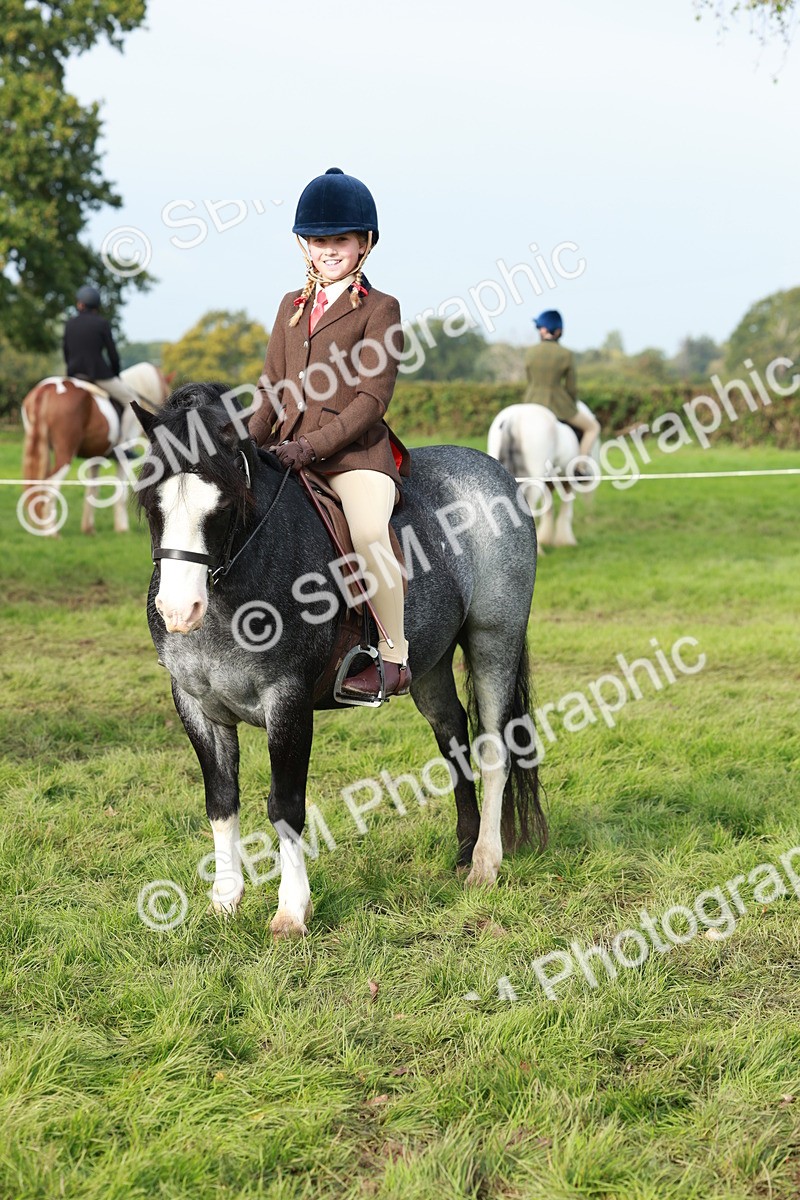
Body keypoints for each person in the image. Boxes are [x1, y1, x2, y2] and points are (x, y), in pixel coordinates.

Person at [249, 167, 411, 700]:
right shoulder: (288, 307)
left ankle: (393, 657)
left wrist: (311, 446)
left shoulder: (380, 309)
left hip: (354, 460)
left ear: (363, 244)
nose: (328, 250)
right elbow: (272, 385)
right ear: (305, 246)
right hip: (287, 454)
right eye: (318, 240)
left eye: (339, 240)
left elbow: (371, 400)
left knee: (367, 535)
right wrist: (250, 447)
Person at [524, 310, 600, 459]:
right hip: (558, 404)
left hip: (530, 402)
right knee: (593, 428)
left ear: (542, 330)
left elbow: (530, 380)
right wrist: (572, 402)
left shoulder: (530, 352)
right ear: (559, 331)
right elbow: (571, 387)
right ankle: (579, 466)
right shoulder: (566, 354)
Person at [62, 286, 141, 411]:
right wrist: (115, 374)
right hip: (98, 375)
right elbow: (113, 355)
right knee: (132, 401)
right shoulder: (101, 323)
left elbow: (66, 353)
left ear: (81, 304)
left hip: (74, 374)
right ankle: (124, 432)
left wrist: (72, 368)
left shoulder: (69, 324)